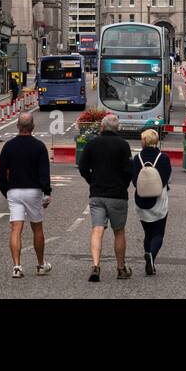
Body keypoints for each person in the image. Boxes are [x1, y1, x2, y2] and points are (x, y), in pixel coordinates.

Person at [78, 113, 134, 281]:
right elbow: (129, 170)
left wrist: (92, 180)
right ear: (117, 128)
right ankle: (121, 268)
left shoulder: (92, 143)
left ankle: (95, 266)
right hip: (117, 194)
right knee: (119, 232)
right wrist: (123, 185)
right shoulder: (123, 145)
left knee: (97, 230)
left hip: (97, 194)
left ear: (102, 127)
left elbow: (82, 167)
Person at [0, 112, 53, 278]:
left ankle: (17, 266)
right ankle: (41, 264)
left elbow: (1, 173)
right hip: (34, 191)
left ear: (17, 126)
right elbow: (44, 173)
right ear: (33, 127)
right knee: (37, 227)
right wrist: (47, 192)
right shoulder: (39, 146)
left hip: (14, 191)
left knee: (16, 228)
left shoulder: (8, 146)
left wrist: (6, 191)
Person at [132, 128, 172, 276]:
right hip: (159, 200)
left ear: (143, 141)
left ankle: (147, 252)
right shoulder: (164, 158)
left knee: (147, 233)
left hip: (141, 201)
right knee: (158, 233)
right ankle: (151, 257)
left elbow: (134, 180)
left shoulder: (137, 158)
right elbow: (167, 178)